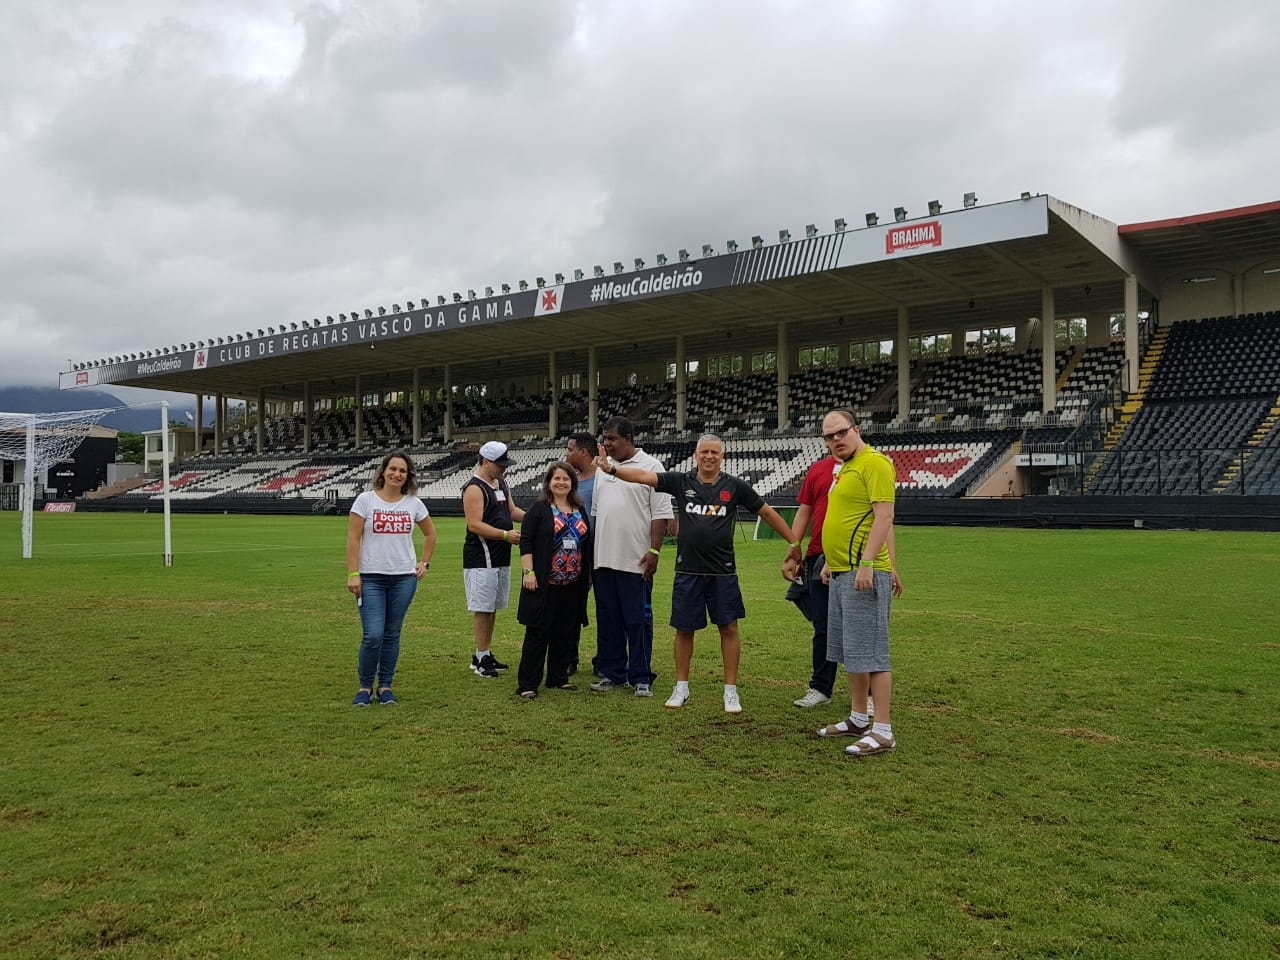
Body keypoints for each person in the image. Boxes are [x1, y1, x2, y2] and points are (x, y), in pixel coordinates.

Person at [598, 433, 797, 713]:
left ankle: (730, 691)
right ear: (696, 455)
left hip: (722, 573)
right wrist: (612, 470)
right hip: (688, 571)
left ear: (722, 456)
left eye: (715, 452)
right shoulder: (681, 482)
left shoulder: (735, 486)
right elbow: (643, 476)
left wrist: (794, 542)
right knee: (684, 629)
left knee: (729, 628)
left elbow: (767, 513)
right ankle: (681, 687)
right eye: (704, 452)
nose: (709, 456)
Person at [811, 408, 901, 757]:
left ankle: (883, 730)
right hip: (841, 572)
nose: (836, 440)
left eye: (841, 432)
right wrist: (831, 563)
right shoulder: (846, 467)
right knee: (852, 651)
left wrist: (867, 564)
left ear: (856, 429)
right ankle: (859, 718)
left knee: (872, 652)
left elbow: (884, 516)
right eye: (829, 436)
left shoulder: (874, 463)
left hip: (864, 574)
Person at [588, 416, 674, 698]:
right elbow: (598, 513)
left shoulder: (652, 467)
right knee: (608, 620)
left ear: (628, 438)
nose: (607, 444)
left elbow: (660, 515)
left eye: (612, 438)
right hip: (604, 560)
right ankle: (613, 673)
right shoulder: (601, 469)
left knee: (638, 621)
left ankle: (641, 676)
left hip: (636, 561)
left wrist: (654, 551)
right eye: (604, 438)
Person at [346, 449, 436, 706]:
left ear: (408, 476)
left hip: (403, 578)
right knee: (373, 635)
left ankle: (385, 686)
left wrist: (424, 563)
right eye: (393, 469)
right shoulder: (365, 500)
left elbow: (430, 534)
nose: (397, 474)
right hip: (371, 578)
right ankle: (365, 687)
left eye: (402, 471)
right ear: (383, 471)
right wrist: (353, 573)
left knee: (391, 634)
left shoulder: (413, 503)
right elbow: (353, 538)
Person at [515, 462, 594, 698]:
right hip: (544, 582)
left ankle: (558, 678)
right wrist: (528, 572)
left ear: (573, 483)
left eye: (566, 479)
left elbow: (585, 544)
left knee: (564, 632)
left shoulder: (579, 509)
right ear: (549, 482)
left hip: (572, 583)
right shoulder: (539, 509)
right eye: (556, 478)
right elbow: (526, 541)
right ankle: (528, 683)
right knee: (538, 632)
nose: (561, 483)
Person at [462, 440, 525, 679]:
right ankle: (480, 657)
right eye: (500, 464)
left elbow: (512, 511)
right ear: (486, 462)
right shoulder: (474, 488)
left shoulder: (501, 483)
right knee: (483, 608)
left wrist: (535, 518)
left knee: (492, 607)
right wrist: (506, 535)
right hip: (481, 557)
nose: (504, 468)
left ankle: (485, 653)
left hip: (500, 555)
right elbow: (474, 524)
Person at [564, 433, 599, 519]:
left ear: (583, 452)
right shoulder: (569, 481)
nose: (566, 454)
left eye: (570, 450)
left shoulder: (602, 479)